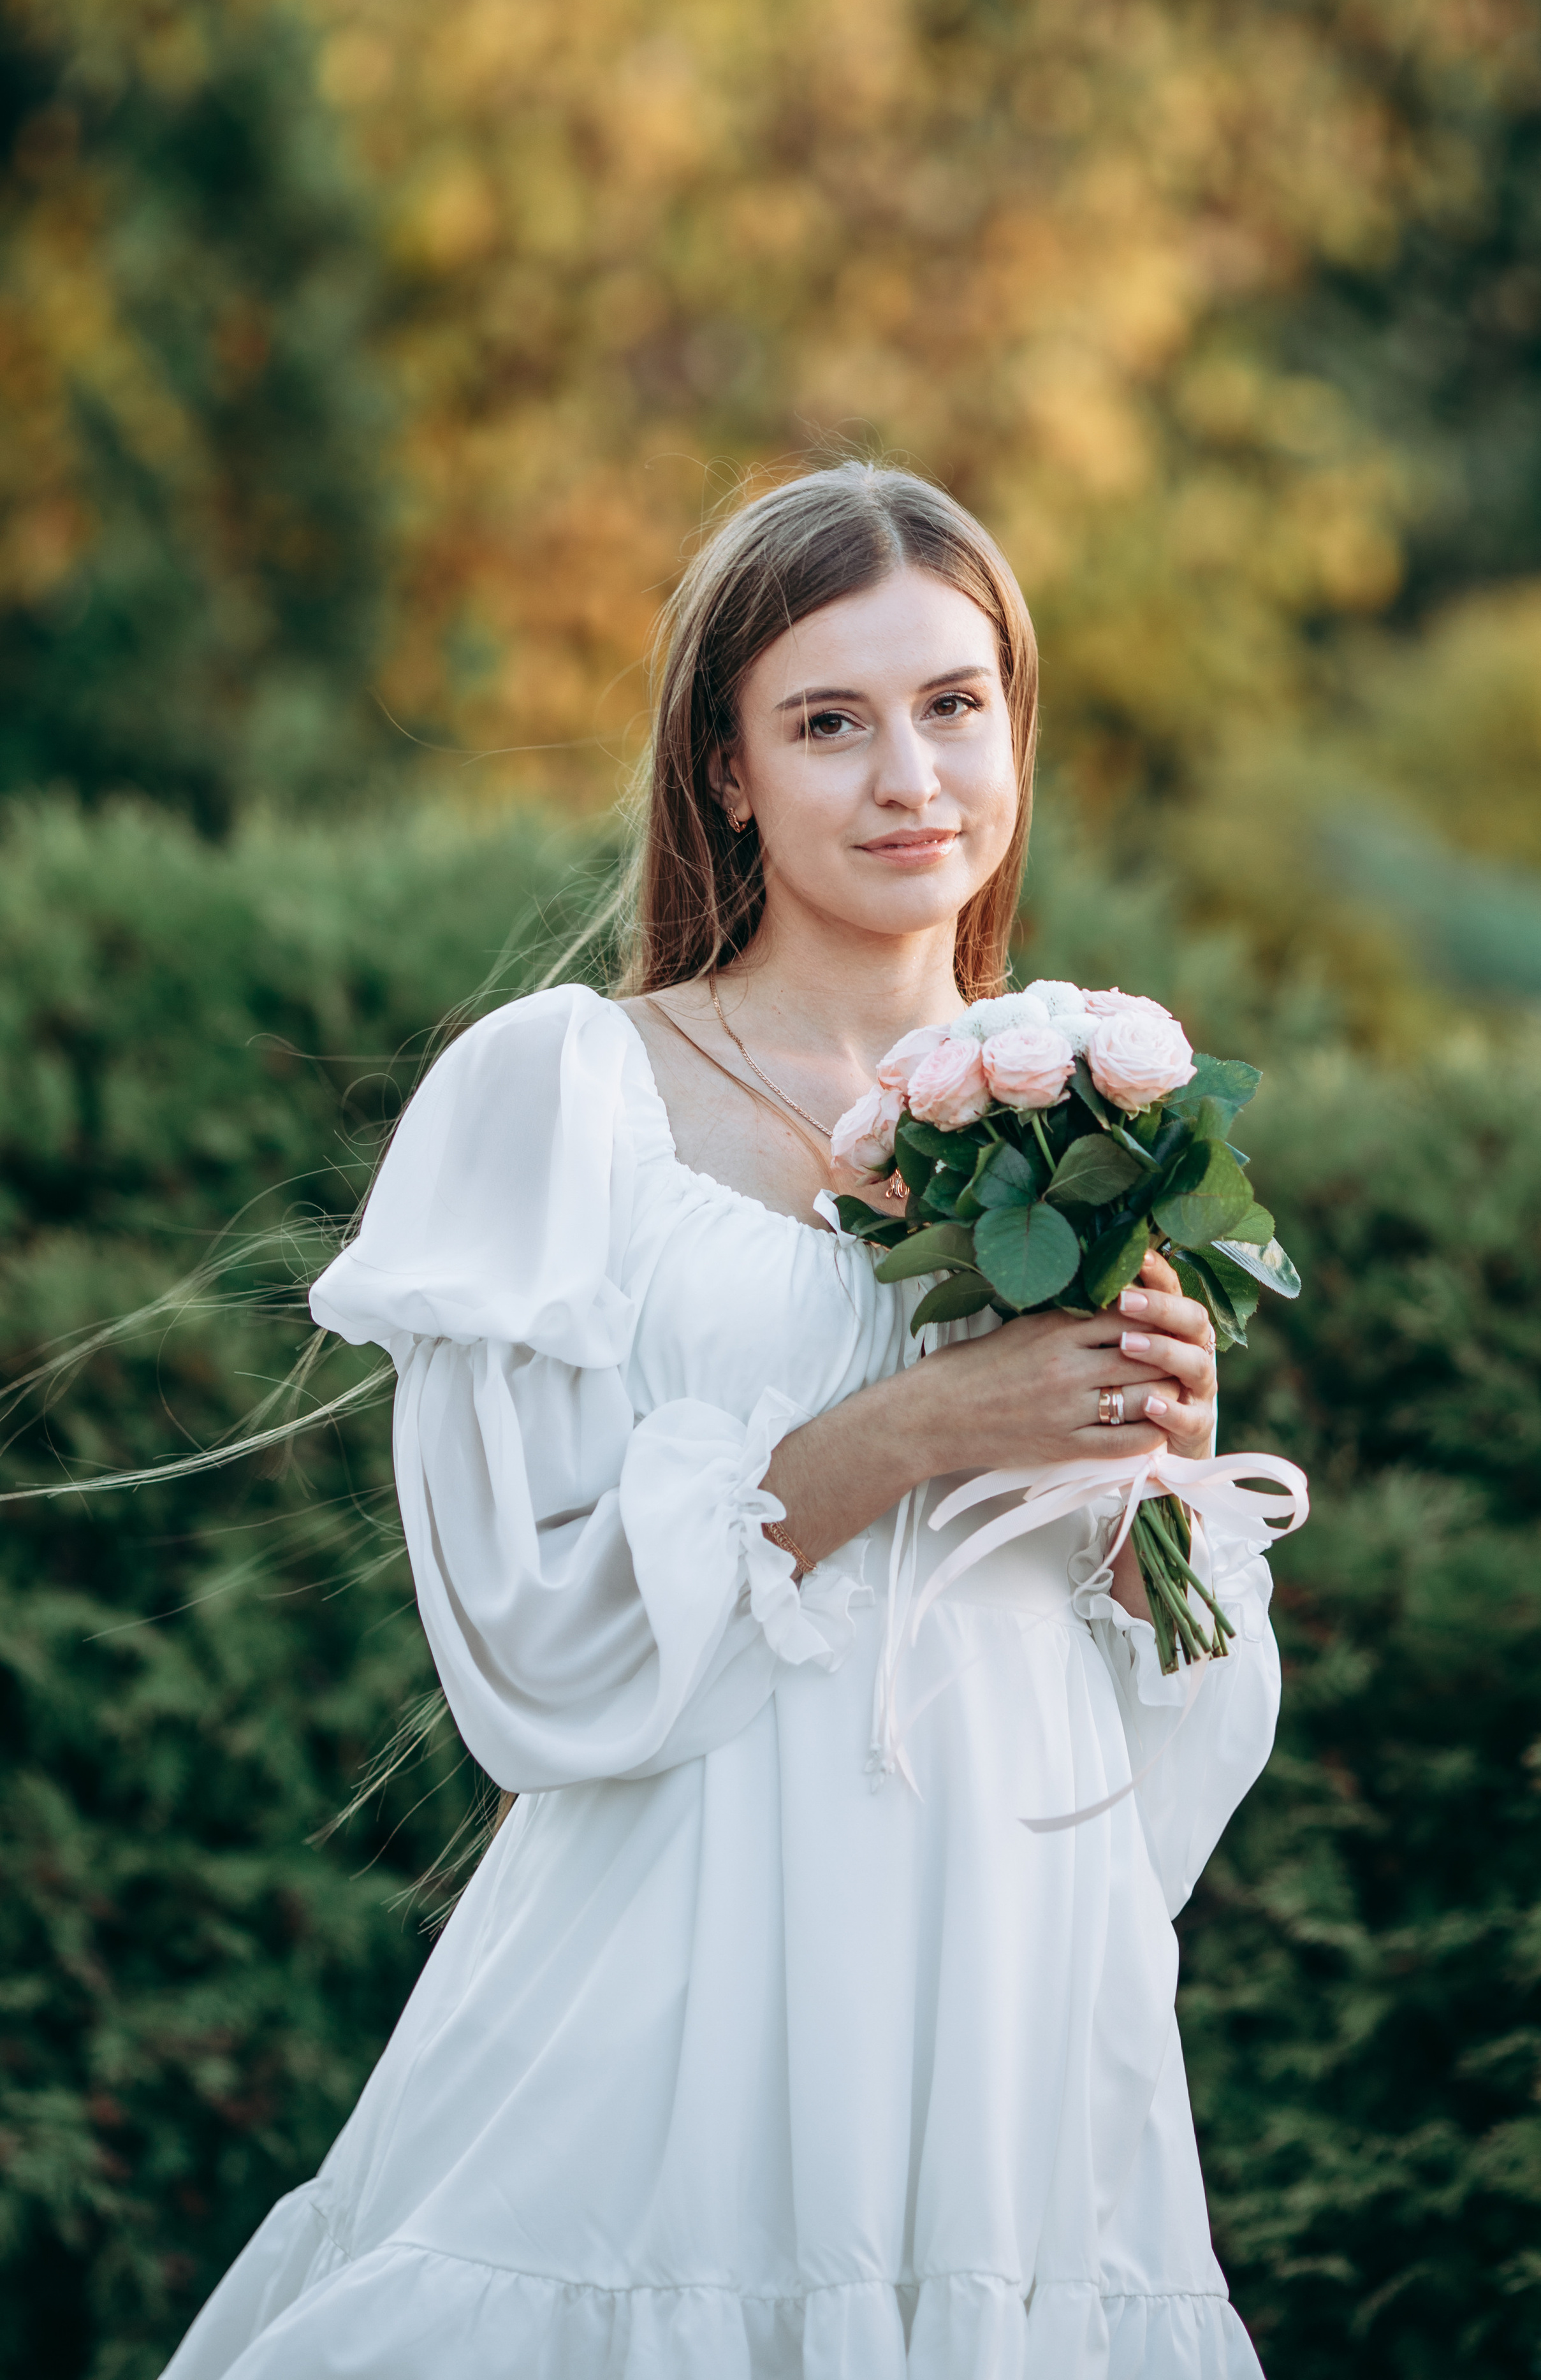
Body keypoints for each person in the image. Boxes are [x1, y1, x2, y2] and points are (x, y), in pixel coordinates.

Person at [160, 463, 1278, 2379]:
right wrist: (923, 1424)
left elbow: (1158, 1713)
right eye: (829, 723)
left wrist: (1130, 1480)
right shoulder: (568, 1091)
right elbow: (529, 1644)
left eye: (954, 705)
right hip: (692, 1962)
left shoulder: (1085, 1117)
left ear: (1016, 724)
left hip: (1008, 1954)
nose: (910, 775)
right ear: (728, 771)